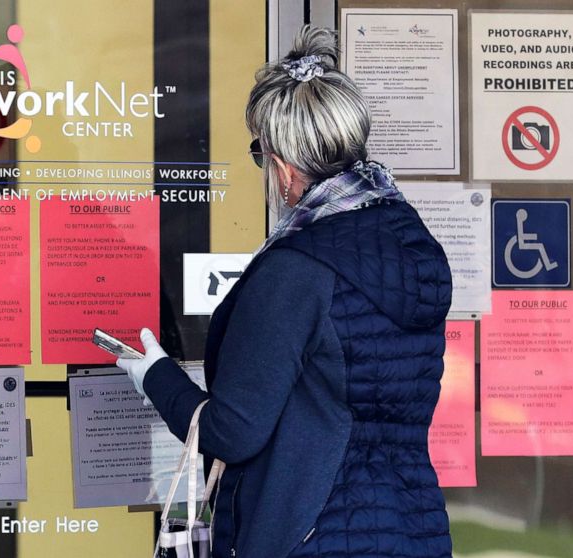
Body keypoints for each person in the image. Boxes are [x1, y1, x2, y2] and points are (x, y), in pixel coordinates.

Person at [117, 25, 454, 558]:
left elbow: (232, 433)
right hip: (413, 530)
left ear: (283, 165)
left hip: (309, 535)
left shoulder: (297, 269)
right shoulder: (416, 248)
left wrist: (153, 375)